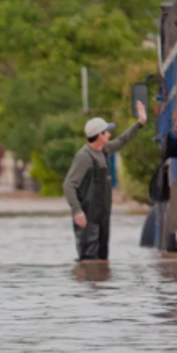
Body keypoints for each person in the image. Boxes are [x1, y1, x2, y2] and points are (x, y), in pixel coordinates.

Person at [63, 102, 148, 261]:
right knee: (88, 261)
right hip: (88, 218)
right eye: (107, 132)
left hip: (103, 216)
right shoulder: (84, 157)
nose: (109, 135)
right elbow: (69, 184)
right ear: (99, 135)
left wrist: (140, 123)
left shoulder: (105, 150)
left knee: (102, 261)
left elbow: (123, 139)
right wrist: (77, 211)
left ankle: (101, 285)